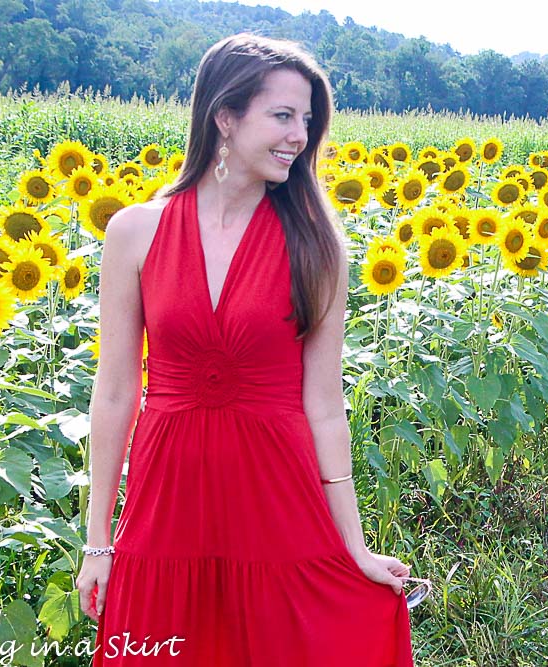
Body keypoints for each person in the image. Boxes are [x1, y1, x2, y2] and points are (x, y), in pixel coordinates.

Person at [75, 33, 417, 665]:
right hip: (169, 497)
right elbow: (117, 390)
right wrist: (99, 543)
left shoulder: (316, 246)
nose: (299, 136)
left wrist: (355, 545)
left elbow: (323, 402)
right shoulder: (134, 232)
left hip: (277, 495)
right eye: (283, 116)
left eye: (307, 121)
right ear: (225, 117)